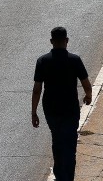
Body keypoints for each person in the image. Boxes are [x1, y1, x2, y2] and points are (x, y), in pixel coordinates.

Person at [32, 27, 92, 181]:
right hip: (70, 109)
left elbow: (37, 89)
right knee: (70, 144)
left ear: (52, 41)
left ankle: (60, 176)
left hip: (51, 110)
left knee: (57, 141)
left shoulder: (42, 61)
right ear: (67, 41)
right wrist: (88, 96)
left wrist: (34, 112)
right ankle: (68, 177)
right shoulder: (74, 60)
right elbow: (86, 83)